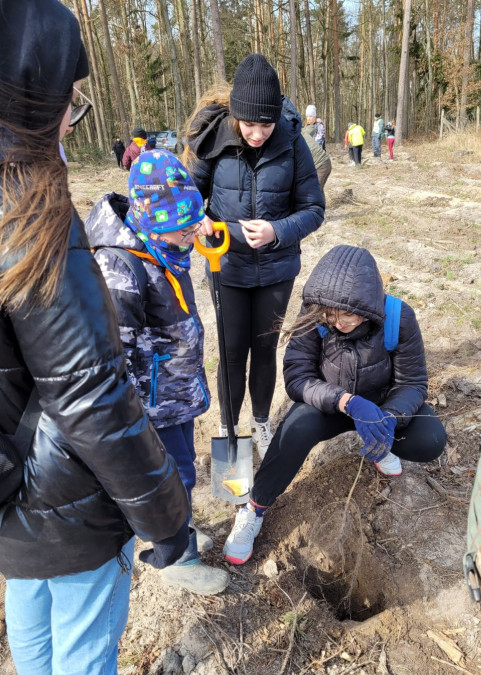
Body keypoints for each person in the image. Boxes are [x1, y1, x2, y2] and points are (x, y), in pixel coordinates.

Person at [0, 2, 195, 675]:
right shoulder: (27, 209)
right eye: (69, 101)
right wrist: (166, 515)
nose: (73, 121)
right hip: (56, 481)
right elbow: (91, 395)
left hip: (9, 474)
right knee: (86, 623)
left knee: (27, 591)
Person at [223, 245, 447, 565]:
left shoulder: (398, 317)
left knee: (431, 439)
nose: (339, 322)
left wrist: (387, 419)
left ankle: (380, 444)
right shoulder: (317, 314)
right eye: (332, 314)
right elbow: (298, 377)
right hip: (330, 405)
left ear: (368, 307)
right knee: (295, 429)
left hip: (378, 405)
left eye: (349, 315)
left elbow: (412, 383)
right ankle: (254, 510)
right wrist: (344, 400)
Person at [85, 150, 229, 596]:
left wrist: (193, 232)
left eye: (192, 225)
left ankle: (179, 530)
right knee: (173, 476)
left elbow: (177, 249)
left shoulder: (161, 243)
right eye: (181, 230)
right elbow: (115, 359)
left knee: (184, 466)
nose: (190, 236)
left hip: (175, 391)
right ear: (151, 223)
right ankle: (175, 557)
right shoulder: (121, 270)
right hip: (150, 403)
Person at [184, 53, 324, 459]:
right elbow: (190, 197)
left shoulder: (294, 143)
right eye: (250, 125)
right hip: (225, 265)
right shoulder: (214, 138)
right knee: (230, 353)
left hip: (277, 270)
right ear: (236, 115)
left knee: (264, 351)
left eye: (266, 124)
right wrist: (201, 220)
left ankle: (261, 422)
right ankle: (229, 432)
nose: (258, 133)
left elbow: (314, 209)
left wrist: (277, 230)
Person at [302, 119, 332, 191]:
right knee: (318, 190)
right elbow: (311, 128)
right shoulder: (303, 132)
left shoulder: (295, 138)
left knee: (314, 191)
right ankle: (322, 202)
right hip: (326, 162)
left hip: (320, 165)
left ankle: (319, 202)